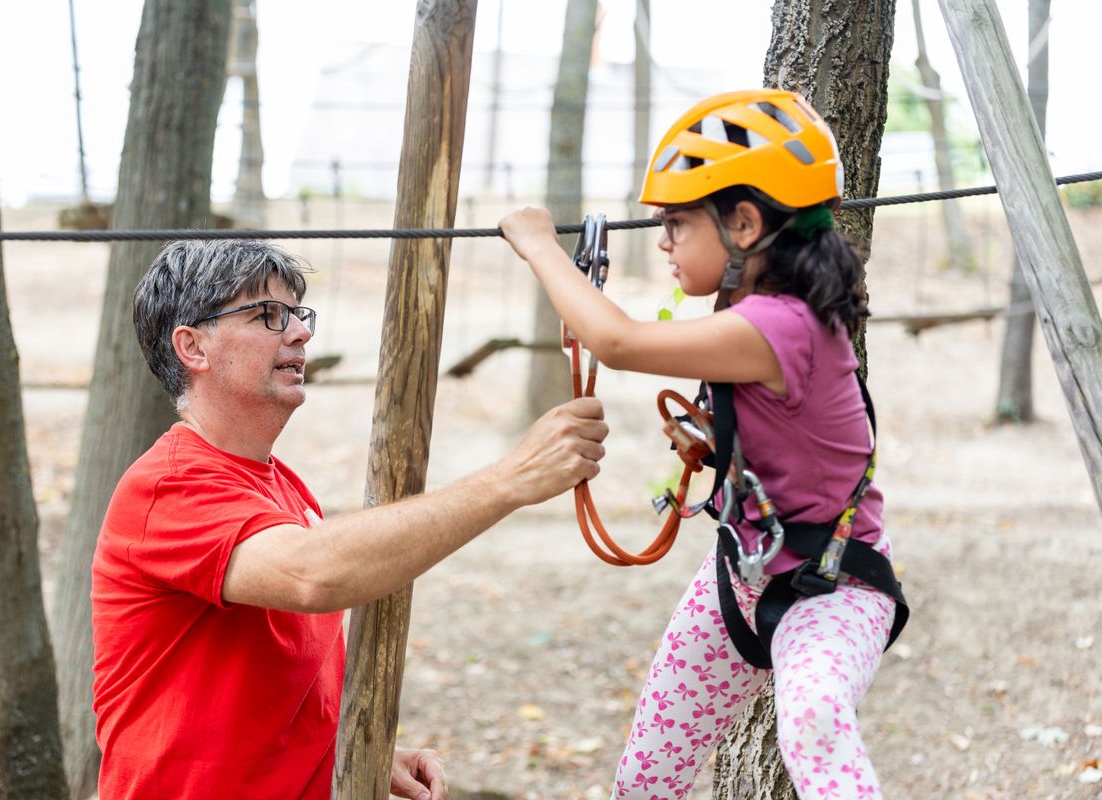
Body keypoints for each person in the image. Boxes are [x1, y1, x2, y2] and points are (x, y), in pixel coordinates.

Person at [91, 238, 609, 800]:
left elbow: (280, 680)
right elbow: (314, 574)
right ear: (193, 347)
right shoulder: (167, 485)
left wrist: (349, 748)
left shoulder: (284, 489)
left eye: (297, 315)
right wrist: (512, 479)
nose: (300, 333)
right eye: (268, 315)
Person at [499, 88, 906, 800]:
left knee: (813, 717)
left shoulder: (778, 324)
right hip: (741, 579)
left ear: (744, 223)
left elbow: (618, 342)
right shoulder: (751, 312)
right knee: (645, 778)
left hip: (833, 588)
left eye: (678, 223)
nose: (662, 240)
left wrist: (538, 246)